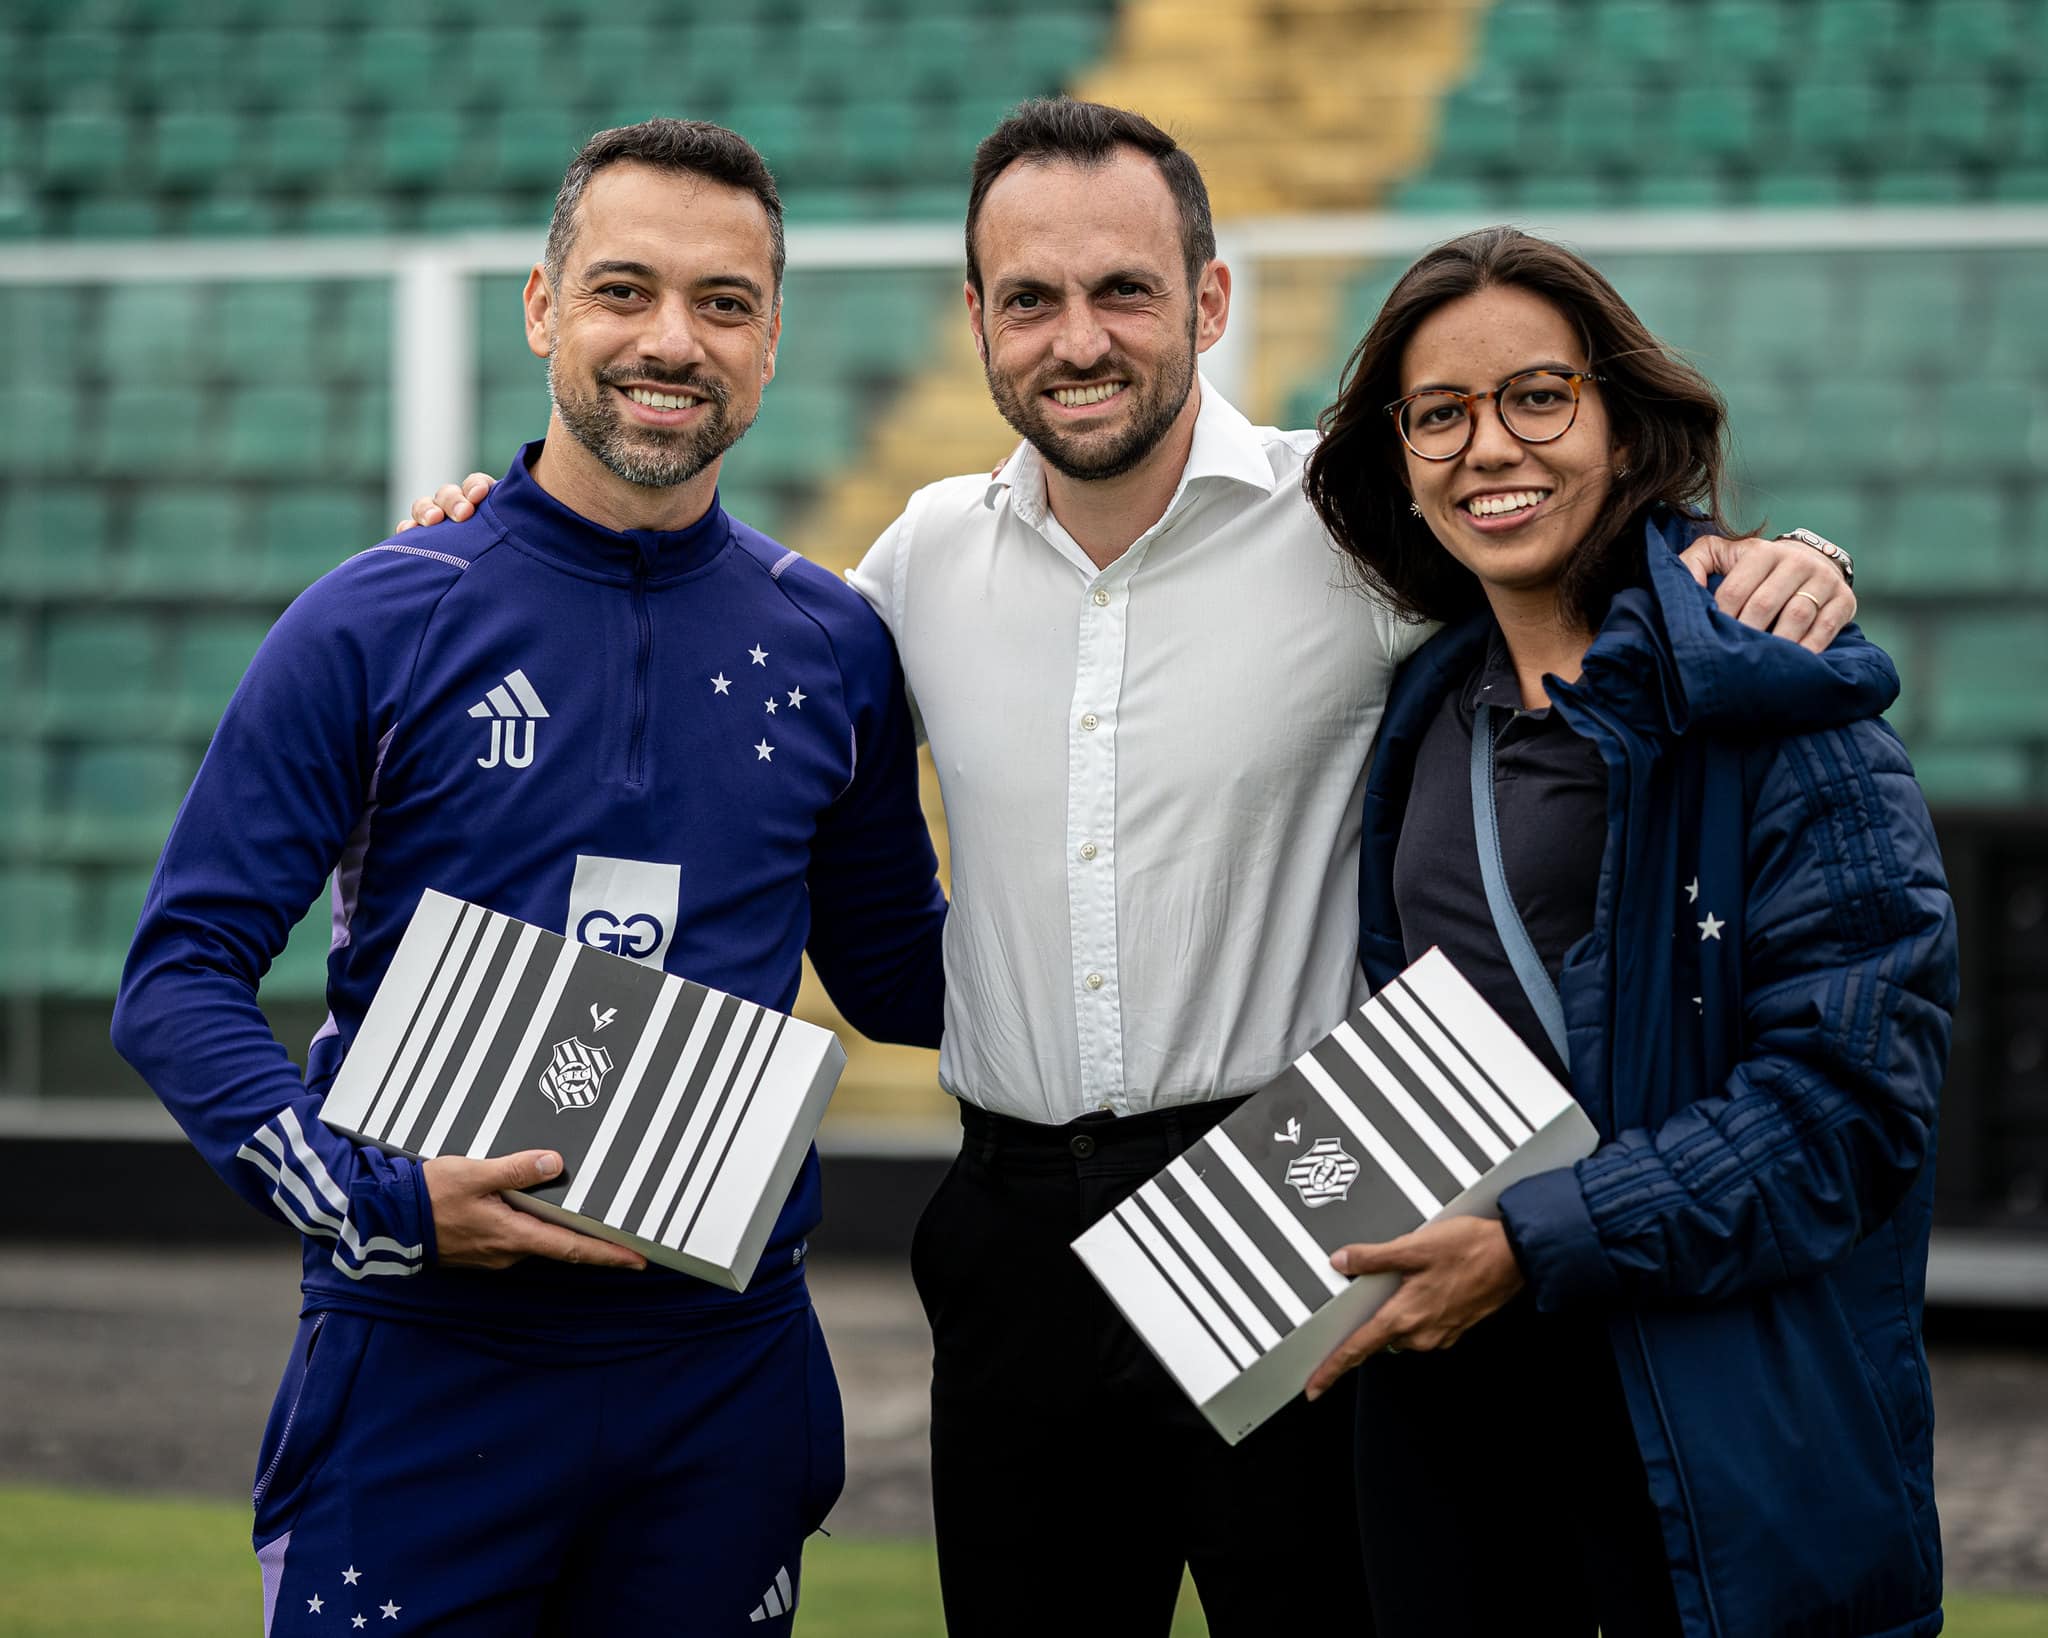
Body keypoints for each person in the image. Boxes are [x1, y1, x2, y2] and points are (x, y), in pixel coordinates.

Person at [404, 101, 1860, 1638]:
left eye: (1124, 291)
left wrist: (1774, 556)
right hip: (1010, 1233)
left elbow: (1567, 536)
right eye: (1029, 298)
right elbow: (709, 615)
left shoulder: (1353, 522)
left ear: (1210, 301)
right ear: (976, 320)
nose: (1076, 337)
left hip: (1299, 1206)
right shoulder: (917, 561)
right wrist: (502, 531)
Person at [112, 120, 947, 1636]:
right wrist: (380, 1202)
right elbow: (176, 979)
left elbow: (909, 976)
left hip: (724, 1371)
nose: (671, 341)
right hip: (425, 1357)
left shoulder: (835, 645)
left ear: (771, 346)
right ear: (542, 309)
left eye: (725, 302)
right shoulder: (378, 617)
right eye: (624, 290)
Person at [1297, 226, 1955, 1637]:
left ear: (1618, 418)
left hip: (1702, 1432)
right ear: (1400, 461)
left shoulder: (1781, 706)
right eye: (1440, 414)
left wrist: (1536, 1243)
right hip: (1455, 1427)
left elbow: (1850, 1105)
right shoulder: (1420, 719)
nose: (1490, 446)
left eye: (1537, 395)